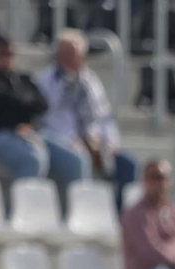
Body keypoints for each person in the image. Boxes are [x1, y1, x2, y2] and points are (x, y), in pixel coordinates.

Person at [0, 37, 88, 186]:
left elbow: (42, 104)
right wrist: (18, 116)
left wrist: (19, 106)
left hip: (29, 133)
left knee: (75, 160)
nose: (7, 58)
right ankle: (24, 207)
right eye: (1, 53)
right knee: (33, 158)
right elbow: (0, 104)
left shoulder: (21, 78)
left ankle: (73, 208)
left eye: (10, 54)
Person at [35, 28, 133, 189]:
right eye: (67, 53)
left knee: (128, 166)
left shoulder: (91, 81)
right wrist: (73, 140)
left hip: (92, 141)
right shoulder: (44, 81)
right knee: (79, 159)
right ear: (58, 55)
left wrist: (110, 141)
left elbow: (104, 115)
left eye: (76, 53)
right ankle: (82, 210)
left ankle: (121, 211)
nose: (72, 58)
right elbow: (44, 119)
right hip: (59, 140)